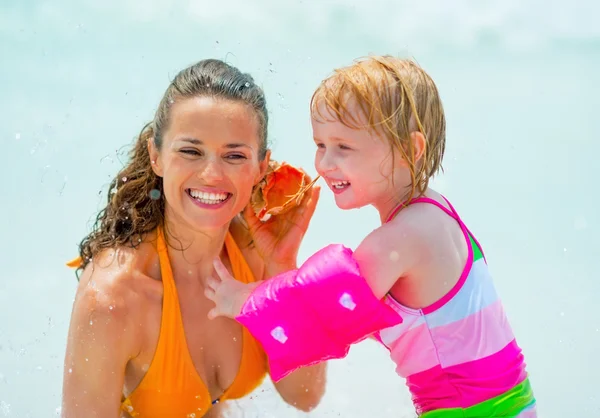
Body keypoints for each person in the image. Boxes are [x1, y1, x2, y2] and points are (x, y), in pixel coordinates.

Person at [205, 56, 537, 417]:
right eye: (320, 144)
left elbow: (318, 309)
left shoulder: (403, 239)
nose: (325, 163)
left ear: (410, 150)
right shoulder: (435, 214)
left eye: (343, 147)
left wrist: (242, 298)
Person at [61, 58, 326, 418]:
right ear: (156, 156)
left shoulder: (257, 254)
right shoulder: (114, 298)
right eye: (190, 151)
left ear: (261, 167)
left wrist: (283, 269)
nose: (211, 174)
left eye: (234, 156)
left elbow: (305, 395)